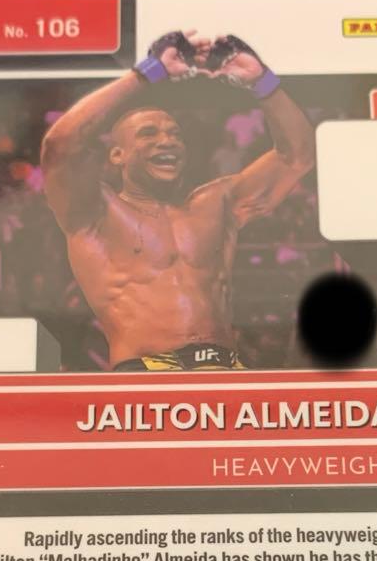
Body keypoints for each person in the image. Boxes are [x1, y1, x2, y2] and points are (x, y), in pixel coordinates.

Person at [40, 30, 315, 370]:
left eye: (174, 134)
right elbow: (61, 144)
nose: (166, 141)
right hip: (146, 371)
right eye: (148, 134)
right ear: (117, 155)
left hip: (225, 369)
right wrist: (145, 75)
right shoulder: (94, 211)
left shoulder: (216, 203)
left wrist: (263, 82)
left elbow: (296, 157)